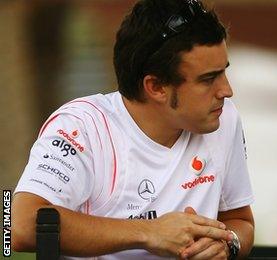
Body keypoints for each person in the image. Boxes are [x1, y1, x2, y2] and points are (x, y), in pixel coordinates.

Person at [12, 0, 254, 259]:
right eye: (208, 79)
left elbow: (241, 222)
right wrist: (149, 233)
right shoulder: (81, 127)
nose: (227, 91)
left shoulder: (223, 117)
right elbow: (18, 227)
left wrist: (229, 244)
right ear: (156, 87)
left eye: (223, 73)